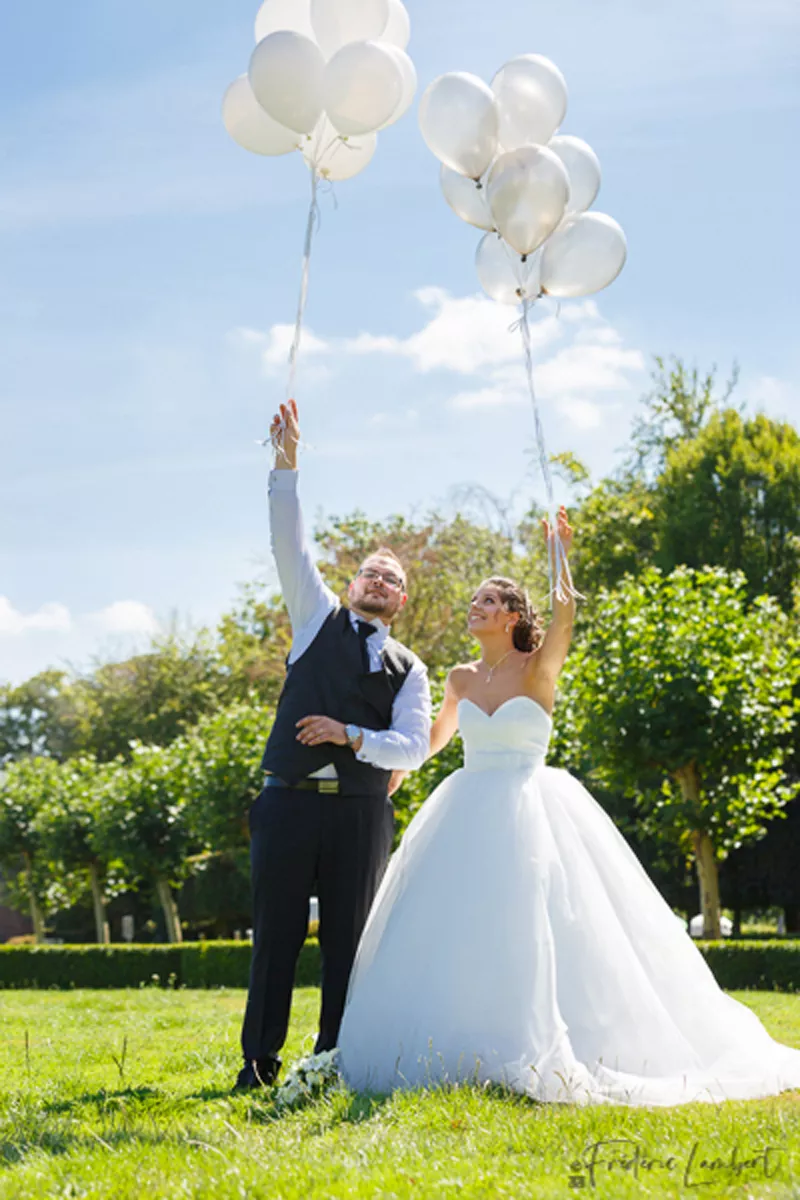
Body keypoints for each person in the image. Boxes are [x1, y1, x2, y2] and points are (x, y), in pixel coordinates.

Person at [337, 510, 800, 1106]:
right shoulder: (457, 677)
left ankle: (559, 1039)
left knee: (546, 926)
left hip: (533, 810)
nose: (473, 606)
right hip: (465, 814)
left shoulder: (538, 669)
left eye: (485, 600)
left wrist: (559, 552)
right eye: (473, 599)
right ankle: (461, 1044)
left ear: (509, 616)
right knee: (459, 931)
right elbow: (432, 743)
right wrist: (393, 767)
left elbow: (565, 614)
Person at [235, 400, 432, 1091]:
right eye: (371, 573)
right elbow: (289, 542)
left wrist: (351, 737)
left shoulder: (412, 669)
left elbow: (411, 749)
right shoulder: (314, 618)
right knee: (276, 941)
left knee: (351, 946)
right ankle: (257, 1065)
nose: (380, 581)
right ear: (349, 587)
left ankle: (334, 1060)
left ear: (401, 601)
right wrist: (285, 466)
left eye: (393, 579)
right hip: (287, 804)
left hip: (359, 814)